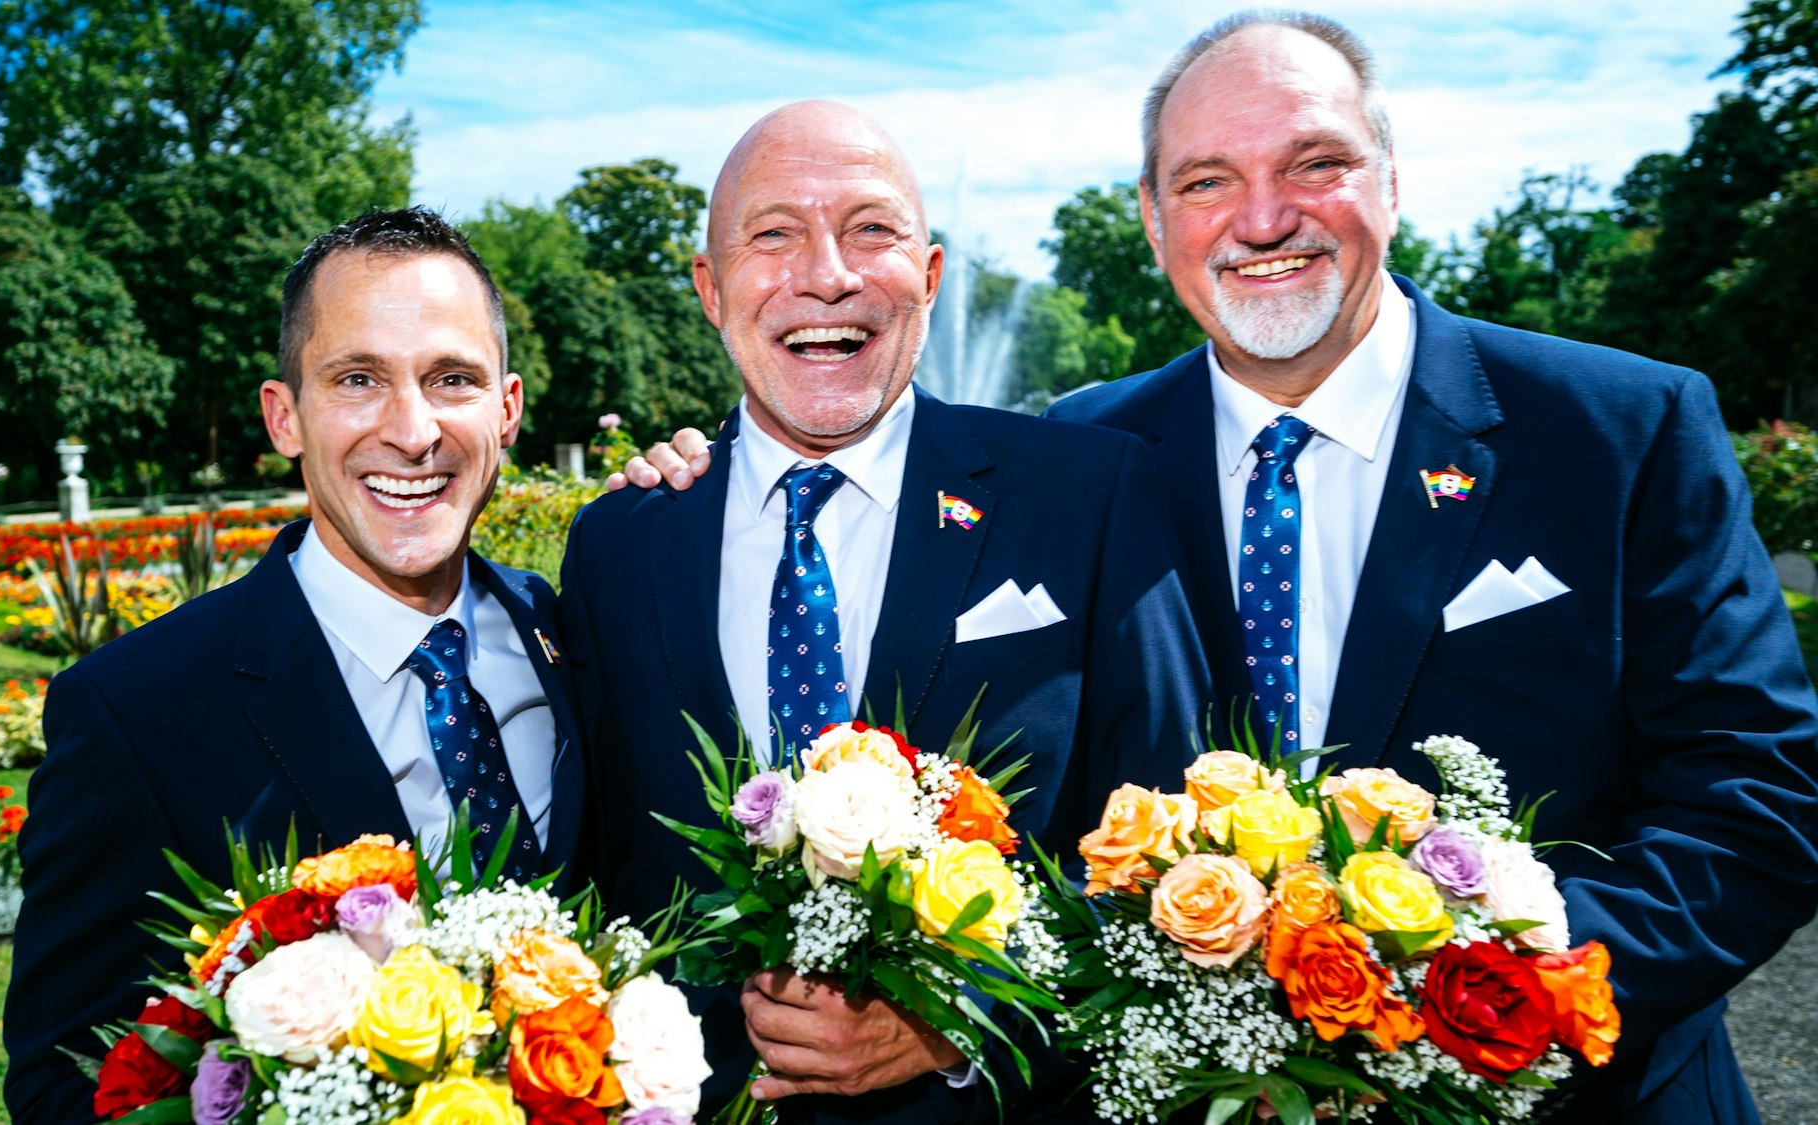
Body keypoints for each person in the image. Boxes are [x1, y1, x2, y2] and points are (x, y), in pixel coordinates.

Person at [625, 14, 1818, 1120]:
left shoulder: (1617, 429)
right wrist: (712, 474)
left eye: (1313, 164)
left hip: (1570, 1095)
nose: (1260, 219)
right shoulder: (1089, 458)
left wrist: (1465, 994)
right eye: (1206, 182)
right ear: (1153, 221)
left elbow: (1758, 801)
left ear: (1390, 182)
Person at [561, 100, 1206, 1123]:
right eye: (772, 234)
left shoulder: (1086, 495)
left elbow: (1178, 846)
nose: (827, 273)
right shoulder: (618, 543)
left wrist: (964, 1013)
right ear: (708, 288)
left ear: (932, 276)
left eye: (871, 229)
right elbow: (604, 871)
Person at [2, 208, 586, 1123]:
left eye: (452, 379)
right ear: (286, 415)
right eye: (358, 378)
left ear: (506, 409)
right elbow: (66, 1081)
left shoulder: (572, 633)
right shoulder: (136, 713)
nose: (413, 429)